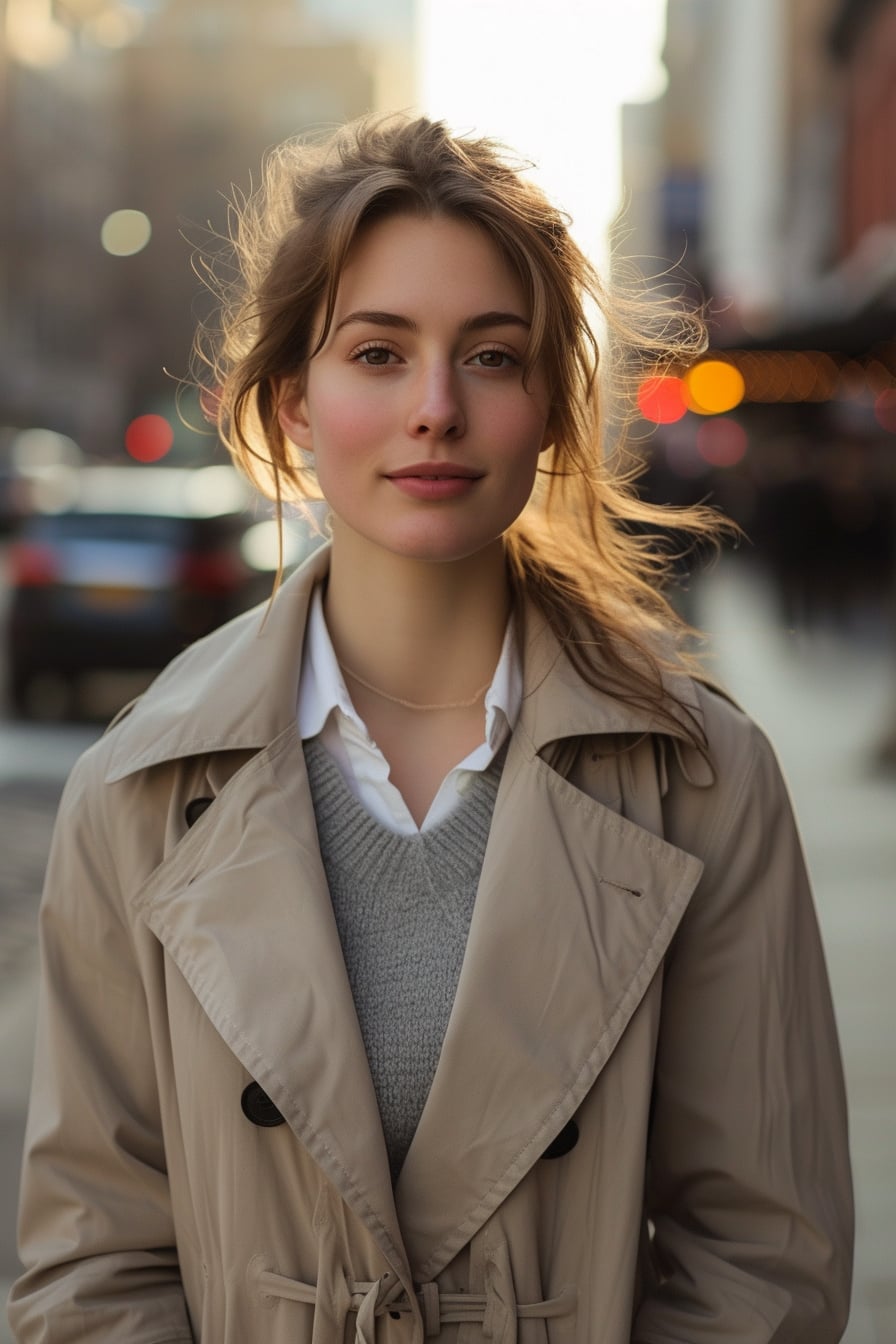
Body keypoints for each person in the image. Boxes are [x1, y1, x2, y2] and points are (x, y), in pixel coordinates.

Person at [8, 115, 853, 1343]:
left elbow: (765, 1264)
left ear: (553, 409)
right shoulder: (135, 790)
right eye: (377, 352)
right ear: (295, 402)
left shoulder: (706, 785)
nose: (435, 410)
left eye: (493, 358)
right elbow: (89, 1265)